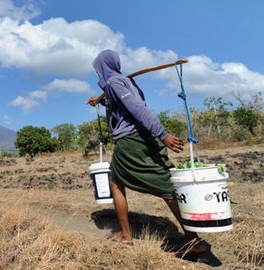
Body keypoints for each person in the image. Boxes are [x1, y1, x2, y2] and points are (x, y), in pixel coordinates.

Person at [87, 49, 209, 253]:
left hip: (131, 141)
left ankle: (191, 240)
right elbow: (121, 104)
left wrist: (164, 134)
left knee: (124, 184)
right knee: (162, 185)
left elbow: (137, 109)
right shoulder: (124, 83)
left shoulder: (115, 83)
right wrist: (99, 100)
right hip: (144, 138)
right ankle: (192, 238)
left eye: (97, 69)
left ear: (102, 67)